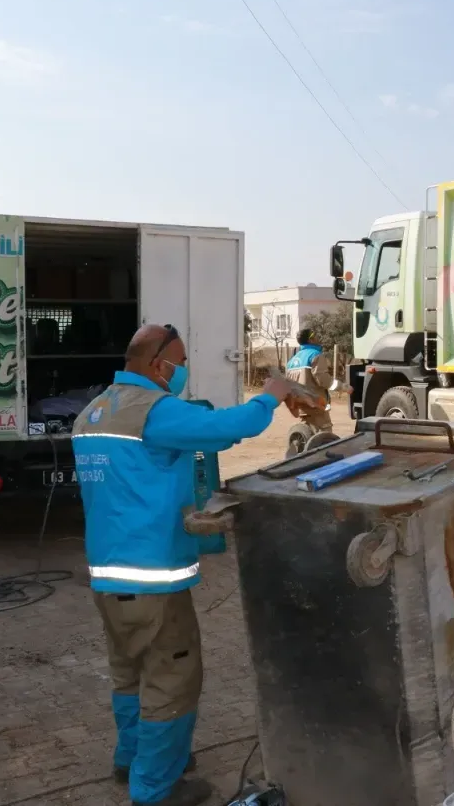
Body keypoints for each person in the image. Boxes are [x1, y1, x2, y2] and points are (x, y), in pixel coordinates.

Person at [72, 324, 294, 806]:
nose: (183, 370)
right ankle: (155, 789)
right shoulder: (152, 411)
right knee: (171, 680)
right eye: (180, 361)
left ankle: (132, 757)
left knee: (129, 674)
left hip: (107, 576)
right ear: (158, 366)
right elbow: (228, 429)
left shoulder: (93, 412)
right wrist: (272, 395)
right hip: (152, 580)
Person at [285, 328, 334, 433]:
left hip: (301, 406)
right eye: (315, 335)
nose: (318, 337)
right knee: (325, 439)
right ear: (311, 339)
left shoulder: (291, 361)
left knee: (306, 436)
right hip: (316, 406)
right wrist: (342, 386)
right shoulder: (315, 355)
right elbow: (323, 381)